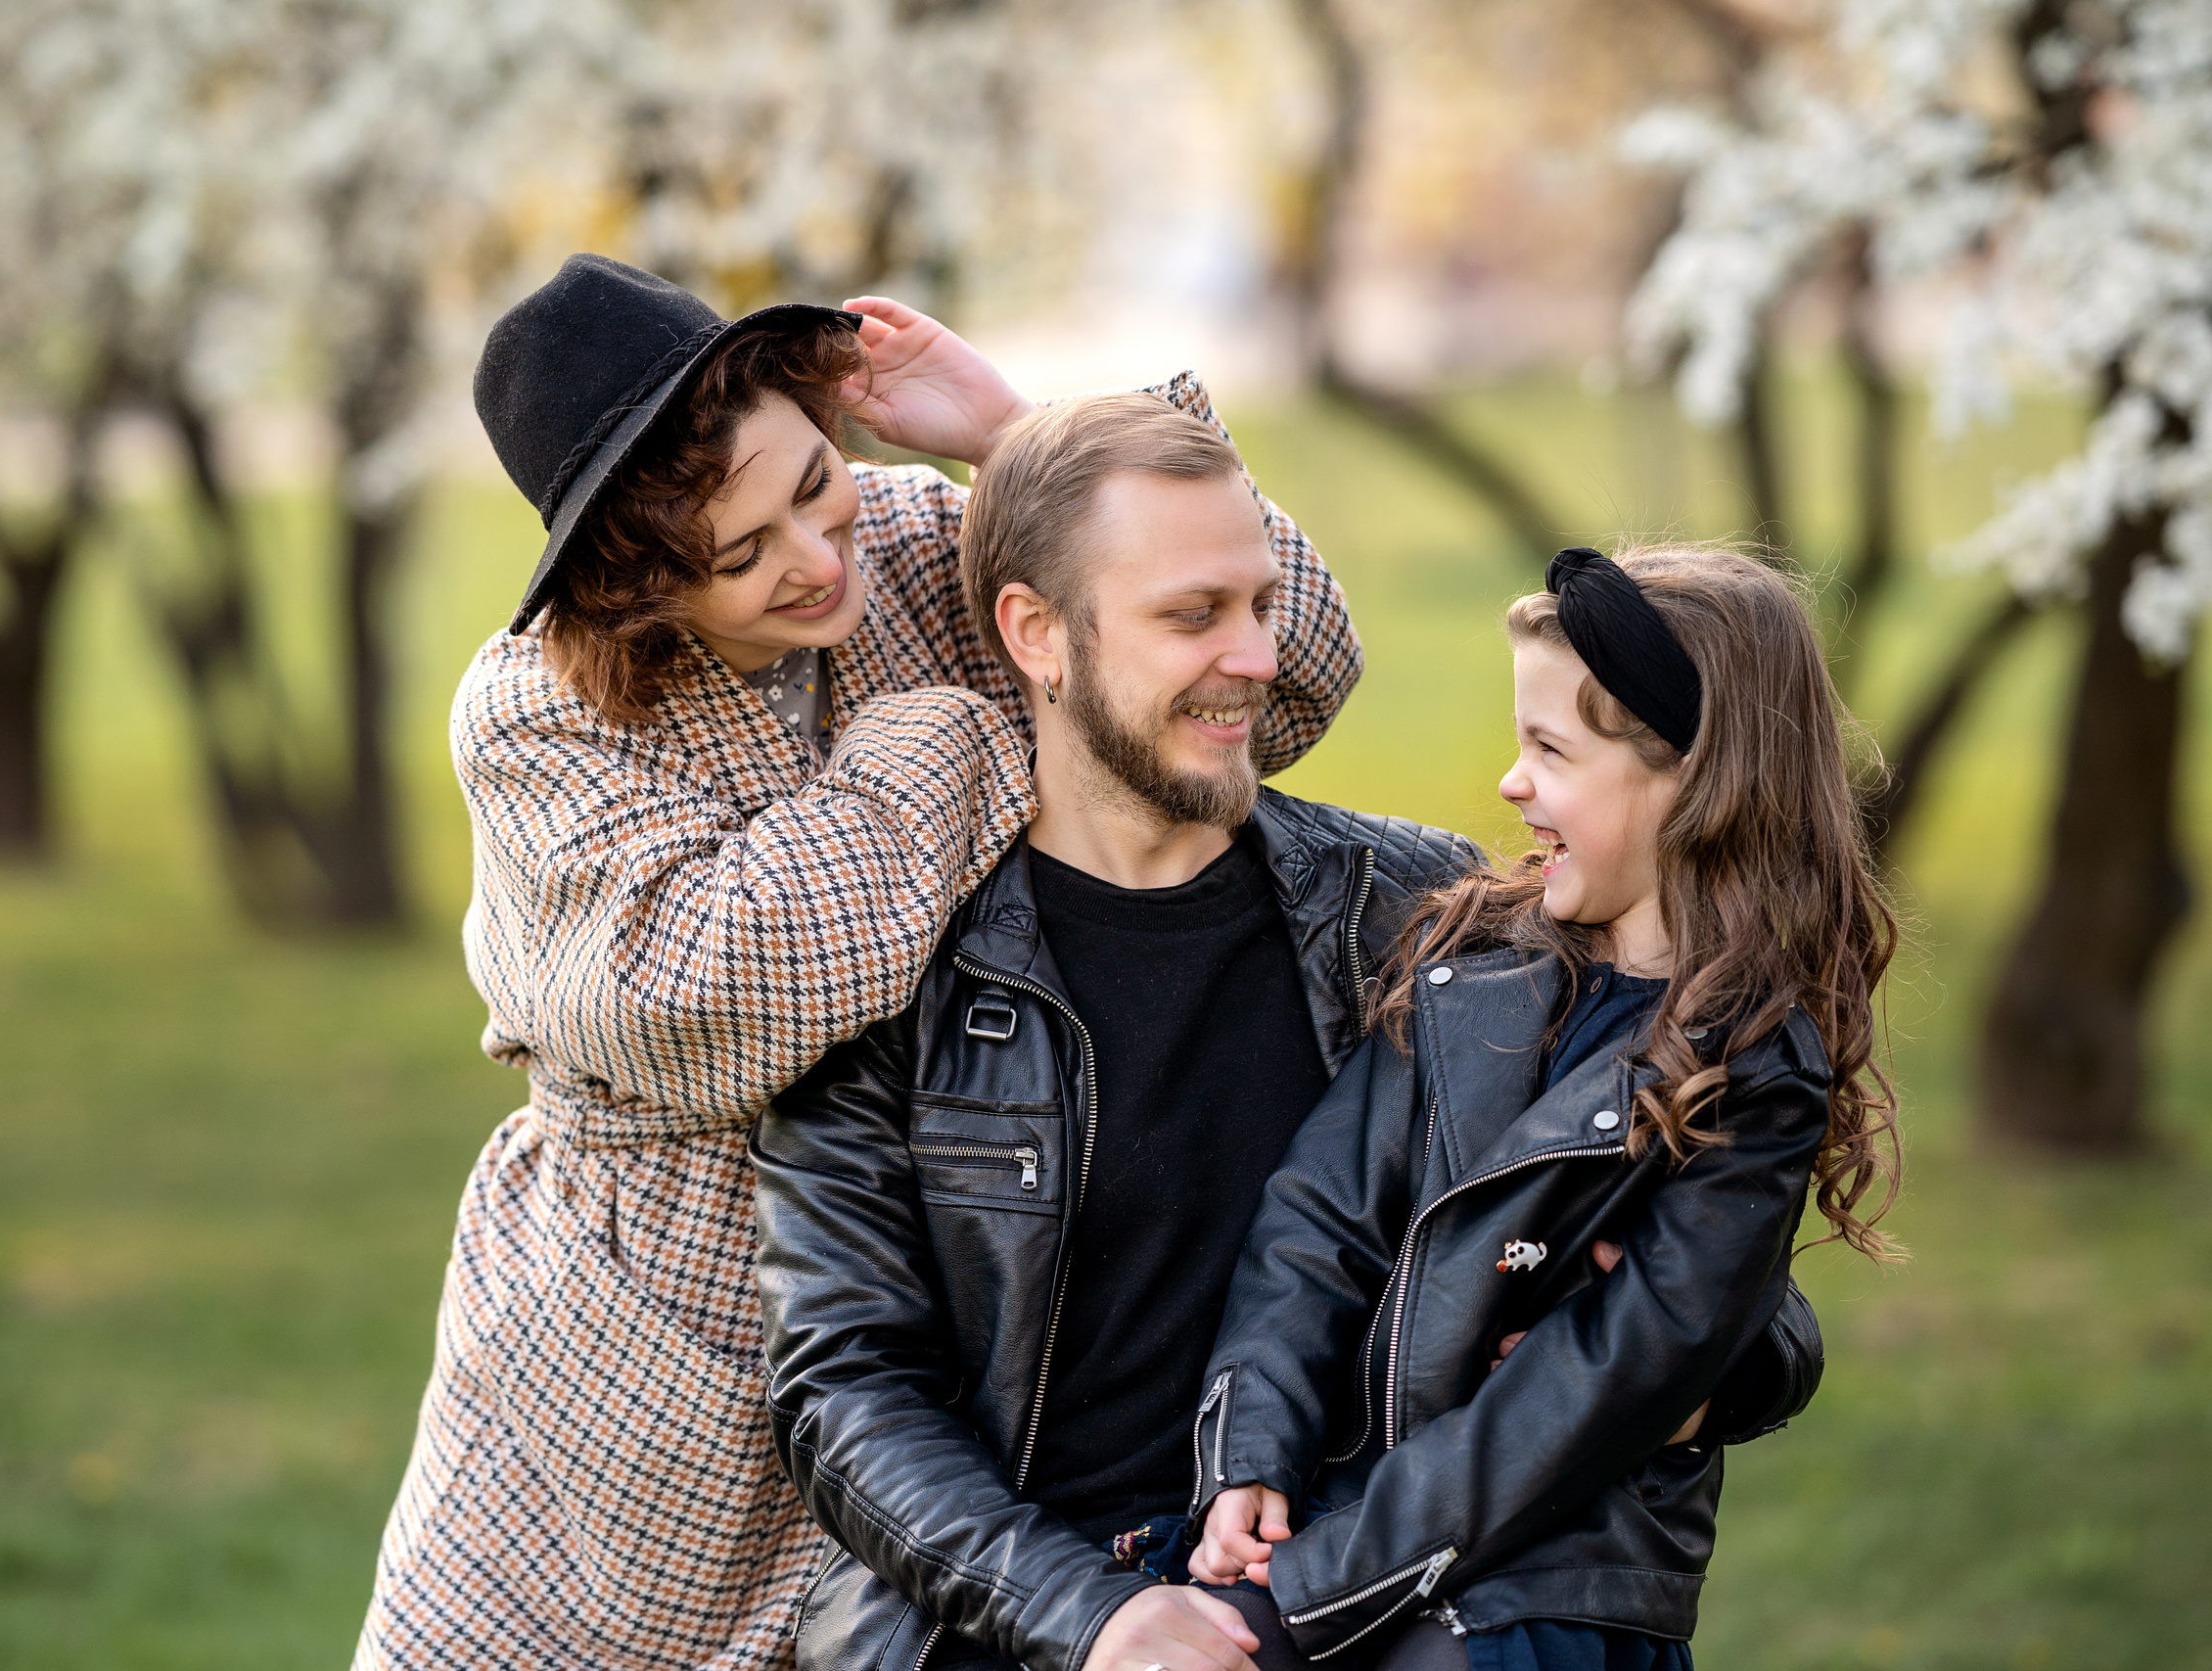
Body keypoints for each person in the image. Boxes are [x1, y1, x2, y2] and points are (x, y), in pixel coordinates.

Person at [353, 255, 1366, 1671]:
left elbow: (1288, 666)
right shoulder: (539, 711)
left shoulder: (909, 539)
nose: (817, 559)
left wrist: (1023, 445)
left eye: (811, 483)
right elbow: (706, 991)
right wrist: (956, 742)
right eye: (739, 552)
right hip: (661, 1354)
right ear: (635, 585)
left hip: (965, 1314)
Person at [754, 413, 1827, 1671]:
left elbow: (1704, 1236)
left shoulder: (1411, 912)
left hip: (1350, 1599)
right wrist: (1097, 1620)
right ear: (1036, 635)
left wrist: (1711, 1374)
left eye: (1263, 602)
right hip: (1030, 1621)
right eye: (1193, 614)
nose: (1259, 657)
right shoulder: (887, 969)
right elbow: (844, 1391)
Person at [1185, 544, 1900, 1670]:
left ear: (1692, 781)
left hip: (1548, 1598)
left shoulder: (1753, 1078)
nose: (1511, 784)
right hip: (1356, 1543)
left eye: (1548, 751)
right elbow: (1316, 1223)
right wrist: (1251, 1455)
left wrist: (1305, 1595)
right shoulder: (1473, 964)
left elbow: (1577, 1406)